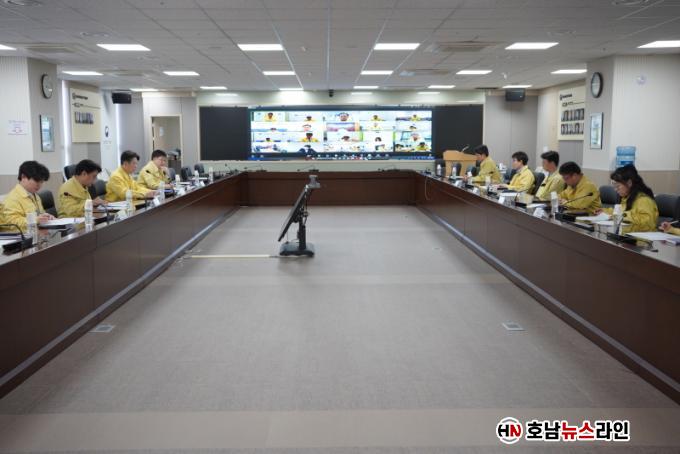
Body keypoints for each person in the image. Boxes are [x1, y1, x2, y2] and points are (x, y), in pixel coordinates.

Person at [595, 165, 658, 233]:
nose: (615, 189)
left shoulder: (644, 200)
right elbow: (619, 212)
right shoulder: (626, 197)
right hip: (627, 234)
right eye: (614, 186)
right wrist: (604, 211)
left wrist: (622, 216)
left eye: (618, 186)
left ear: (629, 183)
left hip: (641, 237)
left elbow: (648, 223)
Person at [0, 160, 54, 230]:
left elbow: (39, 214)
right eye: (36, 181)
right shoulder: (12, 199)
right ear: (23, 177)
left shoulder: (35, 196)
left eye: (41, 182)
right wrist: (36, 220)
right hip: (19, 236)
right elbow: (13, 223)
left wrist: (46, 217)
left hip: (35, 232)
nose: (39, 185)